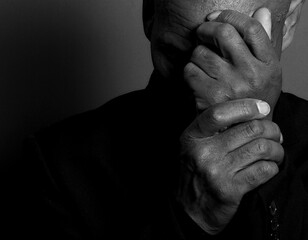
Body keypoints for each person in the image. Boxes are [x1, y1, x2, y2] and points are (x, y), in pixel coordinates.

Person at [5, 0, 308, 239]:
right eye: (177, 54)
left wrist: (256, 133)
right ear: (149, 13)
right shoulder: (57, 163)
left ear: (290, 22)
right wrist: (192, 218)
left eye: (231, 55)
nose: (203, 91)